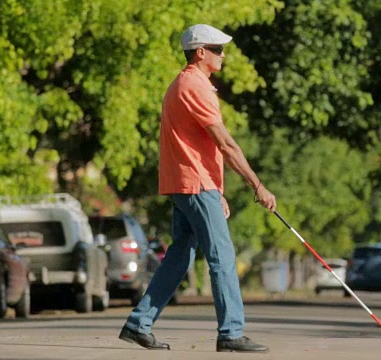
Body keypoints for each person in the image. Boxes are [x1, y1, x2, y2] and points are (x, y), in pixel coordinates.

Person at [118, 23, 277, 353]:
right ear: (200, 52)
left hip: (190, 184)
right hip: (194, 184)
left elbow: (199, 146)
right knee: (222, 255)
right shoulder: (194, 86)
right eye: (218, 49)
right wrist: (257, 185)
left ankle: (139, 324)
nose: (223, 55)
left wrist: (217, 189)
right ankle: (231, 332)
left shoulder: (188, 84)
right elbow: (226, 144)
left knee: (181, 255)